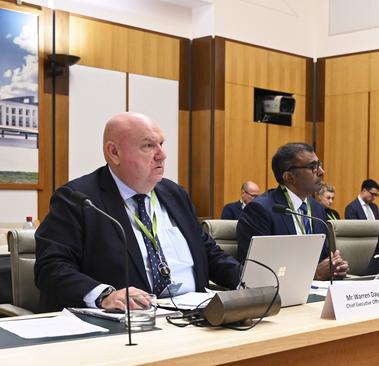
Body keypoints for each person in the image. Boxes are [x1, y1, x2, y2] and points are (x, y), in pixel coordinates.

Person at [34, 112, 241, 312]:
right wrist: (105, 296)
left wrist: (250, 280)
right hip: (130, 322)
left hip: (194, 316)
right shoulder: (78, 199)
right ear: (114, 152)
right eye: (149, 146)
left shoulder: (174, 194)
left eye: (161, 144)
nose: (162, 155)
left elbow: (207, 251)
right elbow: (51, 267)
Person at [236, 143, 349, 280]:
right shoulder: (260, 210)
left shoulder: (317, 209)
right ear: (289, 177)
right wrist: (313, 275)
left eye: (319, 164)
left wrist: (334, 267)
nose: (321, 171)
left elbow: (323, 257)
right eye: (313, 167)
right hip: (280, 297)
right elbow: (257, 271)